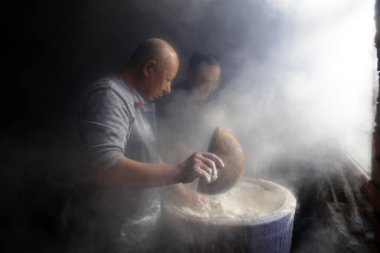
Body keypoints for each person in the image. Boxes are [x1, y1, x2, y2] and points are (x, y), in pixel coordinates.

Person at [62, 38, 224, 253]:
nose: (168, 89)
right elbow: (104, 167)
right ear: (149, 68)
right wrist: (178, 171)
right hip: (103, 229)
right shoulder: (109, 96)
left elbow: (147, 154)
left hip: (133, 226)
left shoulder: (140, 99)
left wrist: (182, 191)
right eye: (167, 79)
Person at [157, 53, 222, 164]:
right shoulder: (169, 101)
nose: (209, 89)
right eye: (204, 81)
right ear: (189, 74)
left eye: (214, 83)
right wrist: (204, 159)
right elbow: (168, 144)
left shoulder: (213, 102)